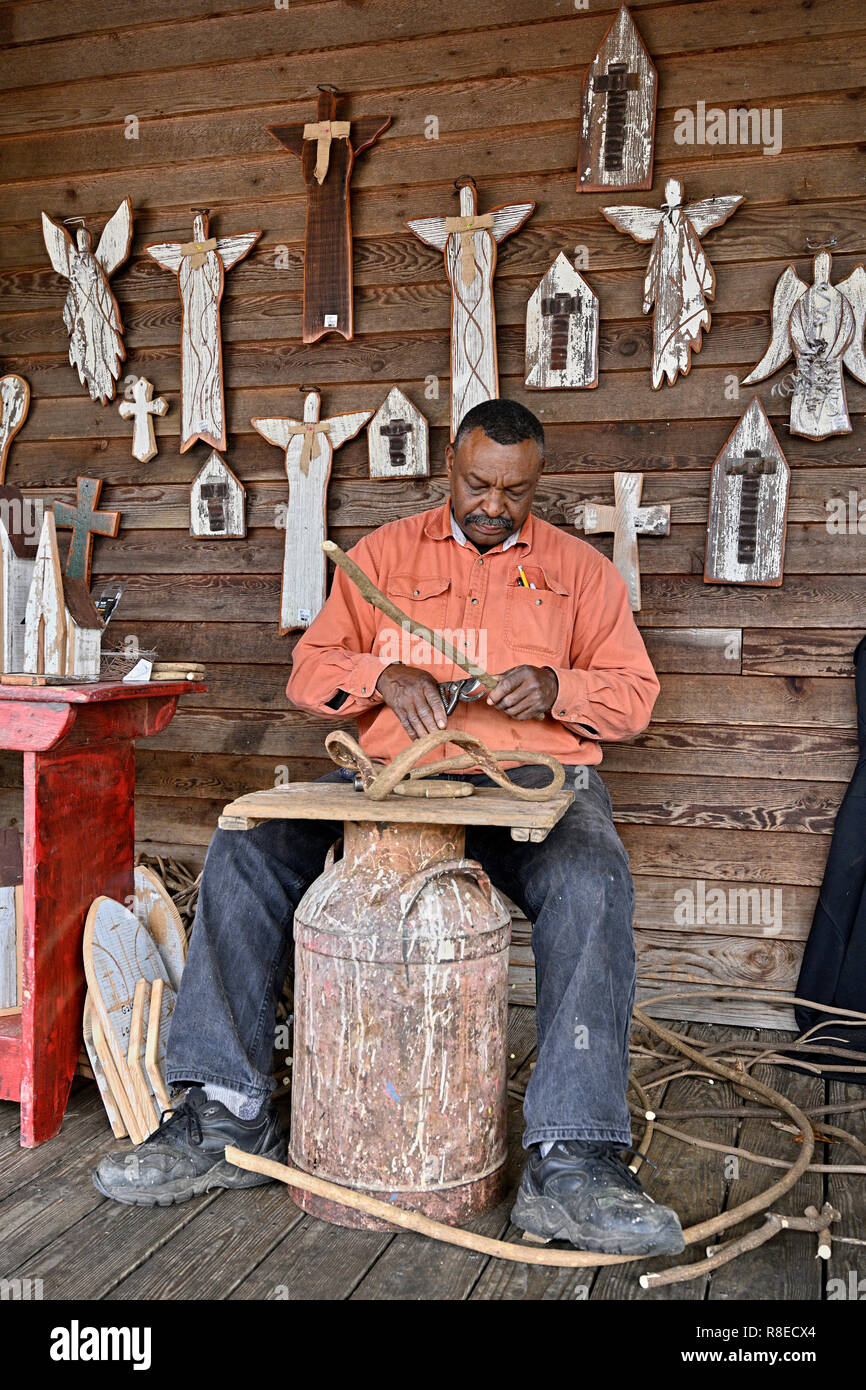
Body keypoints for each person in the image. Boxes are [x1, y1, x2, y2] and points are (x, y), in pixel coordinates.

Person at [93, 398, 683, 1257]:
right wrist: (383, 674)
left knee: (592, 880)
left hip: (529, 785)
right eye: (479, 483)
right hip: (396, 778)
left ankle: (575, 1157)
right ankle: (224, 1113)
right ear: (452, 464)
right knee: (248, 844)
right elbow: (310, 671)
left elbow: (635, 695)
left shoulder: (581, 573)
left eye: (515, 492)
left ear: (537, 483)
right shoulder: (382, 555)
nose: (494, 505)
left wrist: (560, 689)